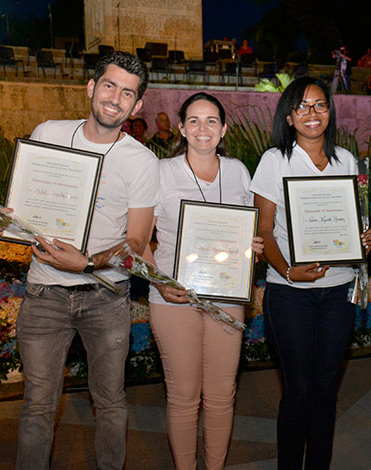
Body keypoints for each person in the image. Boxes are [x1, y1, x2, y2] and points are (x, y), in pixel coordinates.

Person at [2, 51, 160, 470]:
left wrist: (88, 264)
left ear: (137, 105)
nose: (115, 98)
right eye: (109, 85)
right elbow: (27, 204)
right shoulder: (48, 133)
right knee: (37, 406)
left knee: (109, 402)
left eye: (128, 93)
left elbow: (138, 239)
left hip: (106, 298)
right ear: (91, 87)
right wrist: (11, 219)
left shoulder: (142, 162)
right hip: (44, 293)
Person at [249, 76, 371, 469]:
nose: (312, 113)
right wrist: (288, 271)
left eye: (320, 105)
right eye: (302, 106)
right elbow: (263, 230)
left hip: (338, 293)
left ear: (330, 112)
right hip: (289, 293)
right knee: (299, 390)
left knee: (325, 390)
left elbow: (351, 221)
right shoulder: (275, 160)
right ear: (289, 116)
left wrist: (364, 237)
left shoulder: (346, 160)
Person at [145, 92, 263, 470]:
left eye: (211, 120)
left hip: (226, 295)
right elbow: (136, 238)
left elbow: (247, 231)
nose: (202, 128)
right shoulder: (161, 172)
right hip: (173, 298)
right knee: (183, 396)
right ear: (180, 127)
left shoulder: (239, 171)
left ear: (224, 128)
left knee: (221, 395)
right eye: (193, 120)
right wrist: (160, 281)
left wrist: (254, 245)